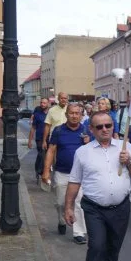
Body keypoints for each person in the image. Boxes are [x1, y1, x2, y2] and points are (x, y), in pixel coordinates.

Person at [64, 111, 131, 261]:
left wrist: (130, 161)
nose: (105, 129)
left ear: (113, 126)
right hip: (94, 209)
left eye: (108, 125)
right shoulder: (83, 152)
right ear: (91, 129)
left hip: (120, 208)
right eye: (99, 126)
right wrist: (69, 207)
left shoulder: (126, 148)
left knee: (113, 248)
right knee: (97, 247)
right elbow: (74, 181)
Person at [41, 103, 89, 243]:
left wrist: (88, 142)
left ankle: (79, 232)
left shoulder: (87, 130)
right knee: (61, 203)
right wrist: (46, 171)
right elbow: (51, 150)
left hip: (81, 175)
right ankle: (62, 220)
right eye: (72, 113)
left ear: (81, 115)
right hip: (62, 172)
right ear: (67, 114)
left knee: (79, 203)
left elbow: (93, 151)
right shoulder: (58, 130)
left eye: (77, 113)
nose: (74, 116)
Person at [28, 97, 49, 182]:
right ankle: (40, 172)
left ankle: (42, 170)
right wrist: (29, 141)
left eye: (44, 103)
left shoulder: (50, 114)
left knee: (47, 156)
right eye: (41, 103)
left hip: (49, 138)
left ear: (48, 104)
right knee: (42, 154)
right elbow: (33, 128)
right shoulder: (37, 114)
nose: (42, 104)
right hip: (39, 138)